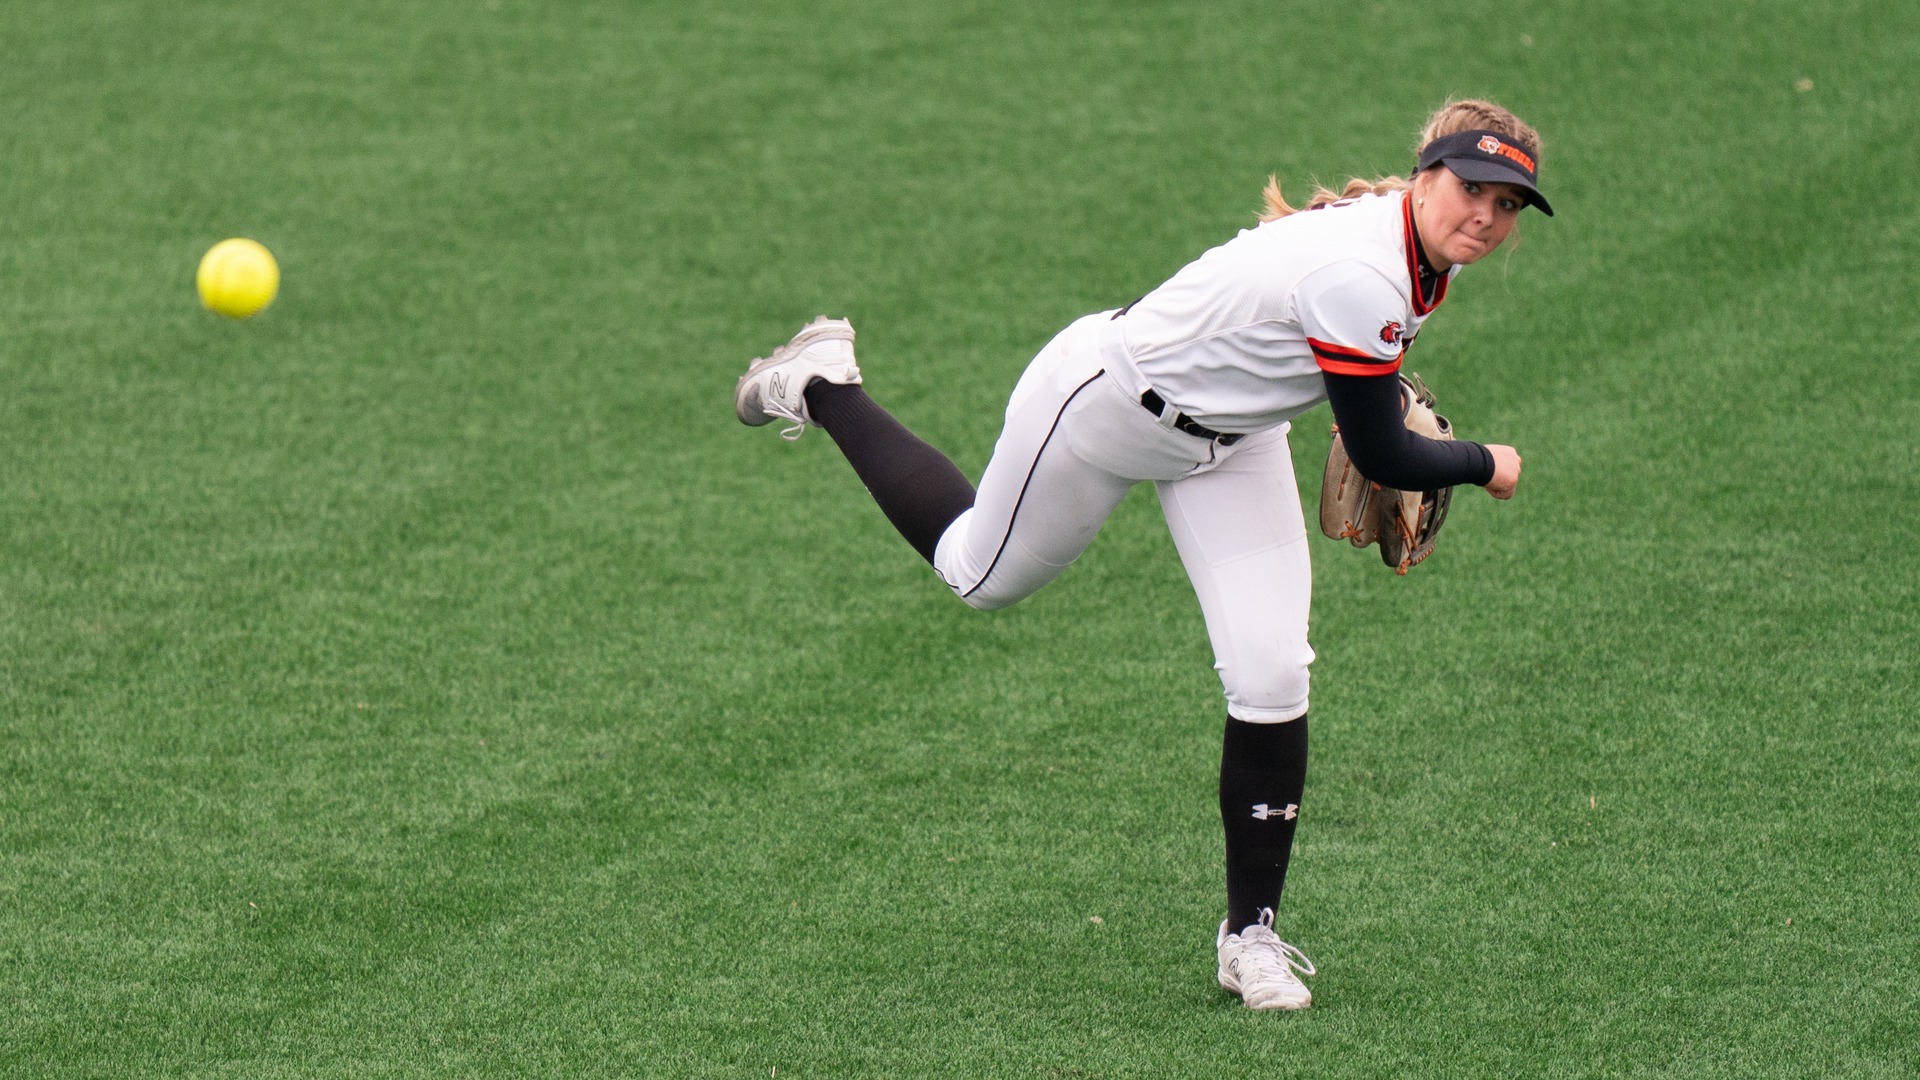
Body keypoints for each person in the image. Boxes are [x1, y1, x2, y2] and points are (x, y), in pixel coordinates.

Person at [732, 99, 1550, 1011]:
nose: (1485, 215)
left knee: (1273, 672)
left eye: (1507, 203)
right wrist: (1487, 464)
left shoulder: (1411, 245)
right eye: (1471, 189)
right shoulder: (1362, 271)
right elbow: (1385, 452)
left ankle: (1251, 938)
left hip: (1235, 441)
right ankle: (822, 379)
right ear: (1428, 173)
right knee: (976, 573)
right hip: (1107, 407)